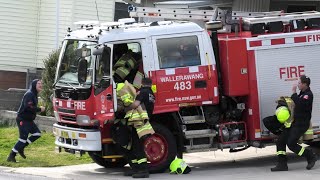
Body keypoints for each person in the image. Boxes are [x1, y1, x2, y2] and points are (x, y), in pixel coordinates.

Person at [271, 75, 317, 171]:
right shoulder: (301, 94)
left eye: (299, 83)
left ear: (305, 84)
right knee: (280, 141)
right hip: (294, 123)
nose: (298, 85)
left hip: (301, 124)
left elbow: (300, 105)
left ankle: (310, 155)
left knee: (291, 144)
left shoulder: (308, 95)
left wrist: (293, 92)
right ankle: (282, 164)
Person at [121, 78, 155, 178]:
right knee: (136, 145)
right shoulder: (151, 94)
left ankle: (143, 170)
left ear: (142, 83)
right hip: (145, 122)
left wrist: (125, 108)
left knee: (138, 146)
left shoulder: (143, 92)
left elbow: (135, 104)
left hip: (139, 123)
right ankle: (136, 168)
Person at [7, 79, 45, 162]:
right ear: (34, 84)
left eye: (41, 83)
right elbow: (29, 107)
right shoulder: (29, 94)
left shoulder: (34, 94)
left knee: (37, 134)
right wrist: (40, 109)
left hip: (29, 120)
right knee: (22, 139)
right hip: (23, 119)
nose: (40, 85)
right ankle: (11, 156)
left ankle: (21, 147)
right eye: (38, 83)